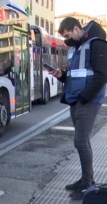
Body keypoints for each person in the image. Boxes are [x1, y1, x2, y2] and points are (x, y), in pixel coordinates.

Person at [50, 17, 107, 200]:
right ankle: (85, 179)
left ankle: (87, 183)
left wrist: (84, 98)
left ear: (76, 29)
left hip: (87, 101)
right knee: (84, 141)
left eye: (68, 35)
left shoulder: (96, 44)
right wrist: (62, 76)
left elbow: (102, 75)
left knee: (80, 141)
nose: (67, 40)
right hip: (76, 100)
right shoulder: (76, 48)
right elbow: (74, 76)